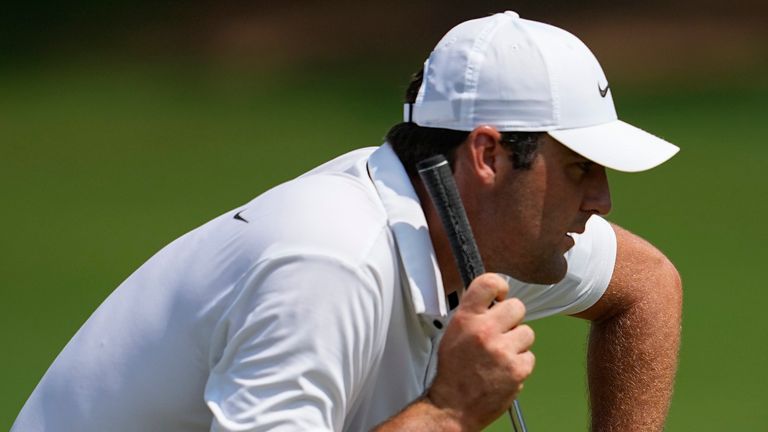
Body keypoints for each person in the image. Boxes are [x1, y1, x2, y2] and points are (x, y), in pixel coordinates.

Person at [12, 11, 682, 432]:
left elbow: (647, 287)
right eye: (578, 170)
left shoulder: (471, 228)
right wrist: (448, 413)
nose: (602, 200)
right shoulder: (329, 261)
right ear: (487, 155)